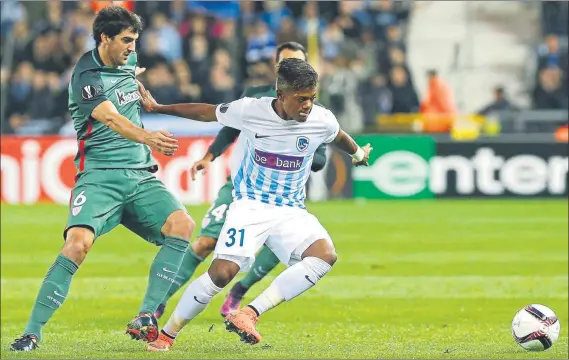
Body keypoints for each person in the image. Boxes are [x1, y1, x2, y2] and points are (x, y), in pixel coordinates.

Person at [139, 58, 372, 350]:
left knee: (324, 256)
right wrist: (159, 108)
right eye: (301, 99)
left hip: (290, 211)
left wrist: (358, 154)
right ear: (281, 95)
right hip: (250, 206)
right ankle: (168, 333)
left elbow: (338, 136)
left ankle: (249, 313)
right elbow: (207, 113)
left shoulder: (321, 119)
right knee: (221, 274)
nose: (307, 106)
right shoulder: (251, 110)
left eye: (312, 99)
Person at [10, 6, 195, 352]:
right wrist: (149, 136)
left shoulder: (126, 59)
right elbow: (111, 119)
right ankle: (31, 332)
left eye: (135, 40)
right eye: (125, 40)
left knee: (182, 225)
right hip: (99, 178)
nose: (131, 47)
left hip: (140, 177)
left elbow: (128, 74)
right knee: (77, 244)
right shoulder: (85, 76)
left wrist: (137, 83)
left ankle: (146, 316)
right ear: (104, 39)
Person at [153, 41, 328, 321]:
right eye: (286, 63)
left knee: (284, 250)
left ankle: (240, 294)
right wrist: (210, 156)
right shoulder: (254, 99)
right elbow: (228, 126)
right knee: (205, 242)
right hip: (240, 186)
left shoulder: (311, 110)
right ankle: (158, 302)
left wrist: (293, 150)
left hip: (284, 196)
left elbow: (320, 159)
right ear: (276, 68)